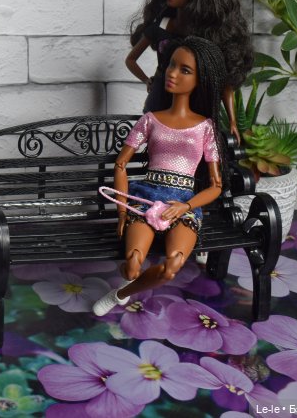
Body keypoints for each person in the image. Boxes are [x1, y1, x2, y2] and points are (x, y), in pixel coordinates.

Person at [93, 36, 227, 316]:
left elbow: (216, 185)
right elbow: (120, 165)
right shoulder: (150, 120)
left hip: (182, 204)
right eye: (171, 65)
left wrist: (186, 206)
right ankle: (129, 278)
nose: (172, 73)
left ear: (200, 80)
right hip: (146, 197)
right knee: (132, 264)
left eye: (185, 70)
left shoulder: (205, 128)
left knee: (172, 265)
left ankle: (119, 294)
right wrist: (122, 211)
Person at [125, 0, 253, 142]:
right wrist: (147, 80)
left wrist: (232, 121)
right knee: (158, 145)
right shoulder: (161, 25)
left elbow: (225, 81)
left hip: (196, 103)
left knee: (193, 147)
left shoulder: (210, 33)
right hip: (160, 98)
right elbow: (131, 59)